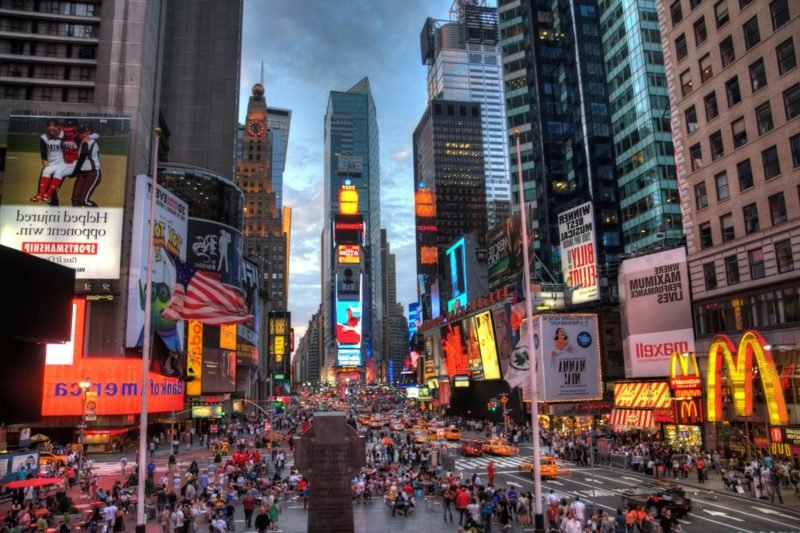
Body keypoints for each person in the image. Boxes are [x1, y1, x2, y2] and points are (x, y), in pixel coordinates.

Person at [70, 123, 102, 207]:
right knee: (75, 200)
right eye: (79, 131)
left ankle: (97, 214)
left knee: (83, 201)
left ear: (88, 132)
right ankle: (77, 217)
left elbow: (83, 156)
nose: (79, 134)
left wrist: (74, 172)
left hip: (92, 173)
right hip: (82, 173)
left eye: (82, 132)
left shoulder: (90, 142)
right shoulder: (84, 140)